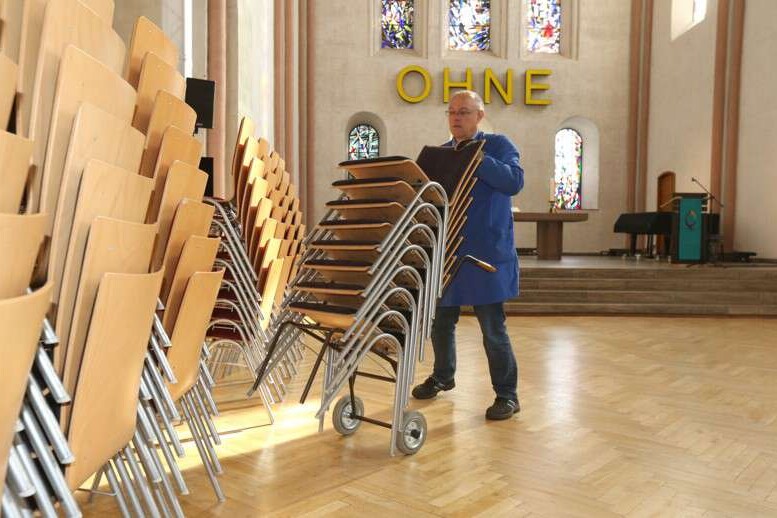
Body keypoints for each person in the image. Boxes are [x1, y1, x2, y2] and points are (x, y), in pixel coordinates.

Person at [411, 90, 524, 421]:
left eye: (464, 112)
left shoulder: (499, 145)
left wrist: (477, 158)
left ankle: (507, 395)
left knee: (492, 328)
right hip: (447, 254)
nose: (456, 117)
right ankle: (443, 376)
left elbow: (514, 181)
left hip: (486, 255)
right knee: (441, 322)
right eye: (451, 112)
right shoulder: (440, 154)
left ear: (480, 116)